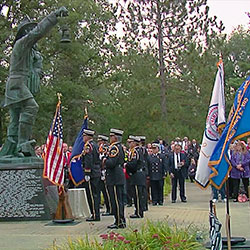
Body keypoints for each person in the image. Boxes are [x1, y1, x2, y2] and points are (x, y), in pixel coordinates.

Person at [0, 7, 68, 158]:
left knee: (15, 117)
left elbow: (36, 68)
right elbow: (39, 32)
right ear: (24, 33)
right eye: (29, 29)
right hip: (17, 83)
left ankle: (12, 147)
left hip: (17, 84)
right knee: (31, 107)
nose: (32, 32)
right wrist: (54, 16)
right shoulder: (22, 44)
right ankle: (22, 143)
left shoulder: (29, 52)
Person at [103, 128, 126, 229]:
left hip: (115, 177)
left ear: (115, 137)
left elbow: (111, 163)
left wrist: (105, 160)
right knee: (117, 200)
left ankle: (119, 221)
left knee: (116, 200)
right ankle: (119, 220)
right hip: (117, 176)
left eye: (111, 136)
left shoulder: (114, 148)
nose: (110, 138)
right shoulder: (117, 147)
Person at [81, 129, 101, 221]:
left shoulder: (88, 146)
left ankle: (94, 214)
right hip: (96, 171)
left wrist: (87, 172)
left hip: (92, 172)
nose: (83, 138)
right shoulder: (95, 145)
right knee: (96, 194)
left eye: (84, 136)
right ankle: (96, 213)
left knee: (92, 195)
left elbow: (89, 159)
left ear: (87, 137)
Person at [125, 136, 146, 218]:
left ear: (134, 143)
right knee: (137, 194)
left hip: (137, 175)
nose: (129, 144)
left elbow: (133, 164)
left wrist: (126, 165)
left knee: (137, 195)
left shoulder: (135, 152)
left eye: (130, 142)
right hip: (137, 174)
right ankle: (138, 210)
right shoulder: (136, 151)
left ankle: (139, 212)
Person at [97, 134, 112, 216]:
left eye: (100, 141)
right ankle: (108, 208)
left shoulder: (106, 148)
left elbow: (104, 160)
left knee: (107, 192)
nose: (99, 142)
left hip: (105, 172)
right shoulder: (99, 149)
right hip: (101, 171)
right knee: (104, 191)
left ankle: (110, 208)